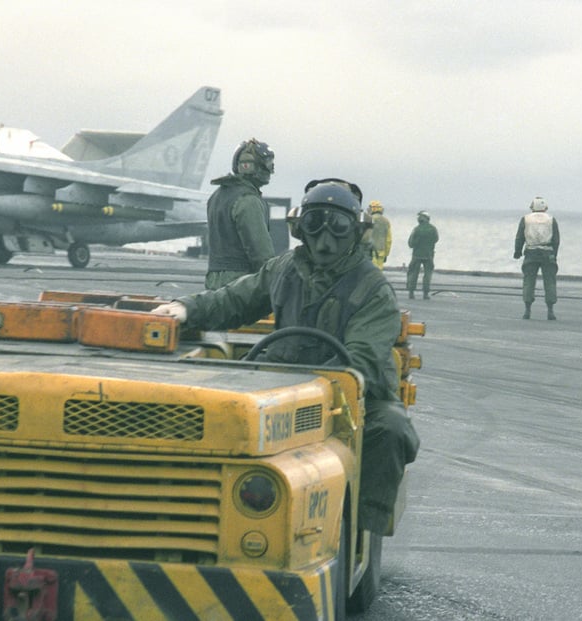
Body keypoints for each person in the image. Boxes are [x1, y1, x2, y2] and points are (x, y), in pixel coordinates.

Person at [152, 179, 420, 536]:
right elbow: (234, 299)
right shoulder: (284, 269)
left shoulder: (372, 290)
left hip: (351, 400)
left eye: (338, 228)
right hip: (280, 385)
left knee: (391, 429)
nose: (325, 241)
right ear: (300, 229)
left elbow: (362, 362)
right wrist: (184, 308)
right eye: (315, 225)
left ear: (355, 233)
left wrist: (306, 395)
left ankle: (358, 531)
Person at [204, 138, 276, 289]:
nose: (271, 170)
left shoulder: (217, 196)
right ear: (252, 165)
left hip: (214, 281)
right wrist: (273, 281)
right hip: (239, 283)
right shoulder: (248, 200)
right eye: (268, 164)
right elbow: (261, 253)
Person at [514, 196, 560, 320]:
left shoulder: (526, 219)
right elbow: (556, 239)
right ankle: (550, 310)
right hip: (547, 252)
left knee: (529, 281)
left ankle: (527, 310)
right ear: (545, 208)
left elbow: (520, 237)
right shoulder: (551, 219)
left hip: (531, 252)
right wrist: (554, 254)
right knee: (550, 282)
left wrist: (517, 251)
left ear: (532, 207)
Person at [406, 211, 439, 299]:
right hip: (429, 255)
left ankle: (411, 292)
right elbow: (436, 239)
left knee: (413, 273)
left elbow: (411, 243)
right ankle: (425, 293)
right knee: (428, 274)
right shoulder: (433, 229)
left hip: (417, 255)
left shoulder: (416, 229)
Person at [368, 200, 392, 269]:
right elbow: (388, 240)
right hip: (381, 251)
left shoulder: (368, 219)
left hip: (369, 251)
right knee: (379, 271)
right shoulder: (386, 221)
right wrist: (386, 254)